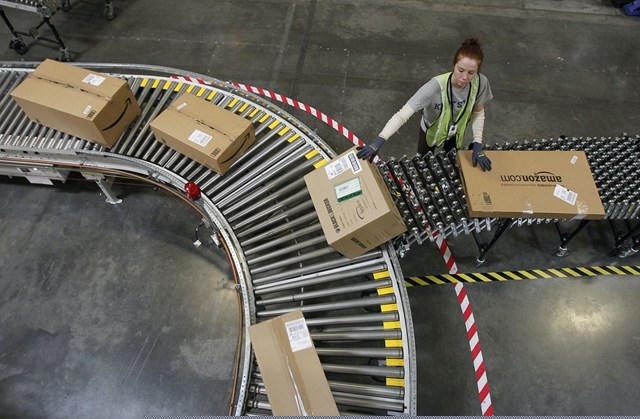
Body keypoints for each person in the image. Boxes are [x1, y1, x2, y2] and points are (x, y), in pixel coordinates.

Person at [357, 38, 493, 171]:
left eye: (471, 73)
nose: (464, 77)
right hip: (431, 131)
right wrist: (379, 140)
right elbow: (402, 114)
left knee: (451, 164)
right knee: (423, 163)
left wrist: (477, 143)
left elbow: (478, 113)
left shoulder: (480, 83)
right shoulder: (434, 87)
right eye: (460, 70)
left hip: (456, 133)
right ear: (454, 65)